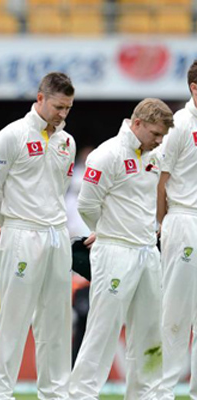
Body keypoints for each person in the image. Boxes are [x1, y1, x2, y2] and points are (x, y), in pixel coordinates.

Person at [69, 98, 174, 399]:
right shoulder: (107, 155)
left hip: (147, 251)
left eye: (163, 135)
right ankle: (81, 394)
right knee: (103, 330)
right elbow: (86, 205)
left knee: (149, 332)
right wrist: (104, 232)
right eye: (156, 133)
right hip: (115, 250)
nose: (159, 140)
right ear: (137, 123)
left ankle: (145, 395)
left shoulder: (154, 154)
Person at [0, 72, 76, 400]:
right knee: (14, 318)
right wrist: (8, 222)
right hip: (22, 233)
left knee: (57, 321)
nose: (62, 113)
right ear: (40, 98)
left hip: (57, 234)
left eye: (68, 108)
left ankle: (55, 392)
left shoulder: (67, 142)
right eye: (58, 106)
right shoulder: (12, 136)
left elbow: (60, 189)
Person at [158, 60, 197, 400]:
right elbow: (160, 179)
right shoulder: (179, 124)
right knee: (175, 312)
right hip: (183, 219)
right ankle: (163, 390)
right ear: (194, 88)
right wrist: (161, 224)